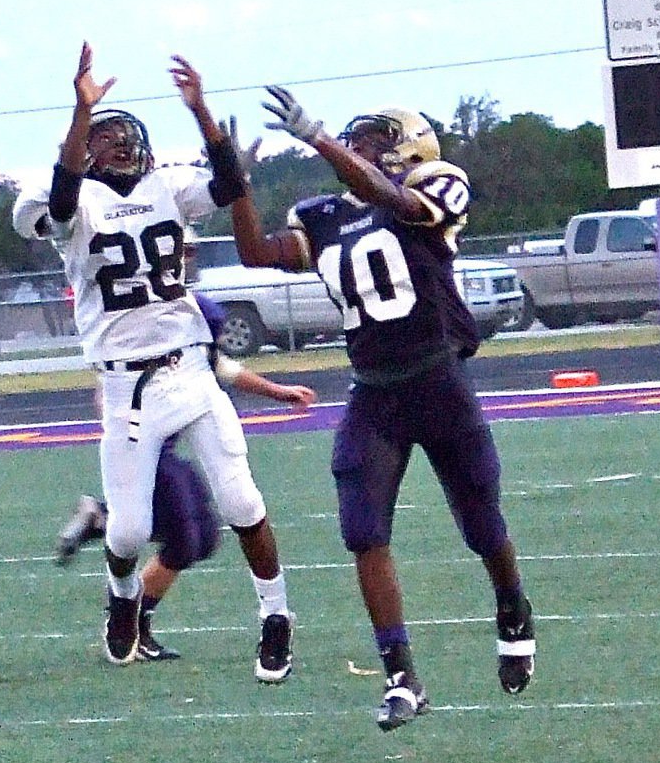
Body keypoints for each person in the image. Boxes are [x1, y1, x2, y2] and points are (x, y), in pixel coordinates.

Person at [206, 78, 536, 730]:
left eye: (376, 137)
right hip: (374, 392)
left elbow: (398, 204)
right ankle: (401, 677)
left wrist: (320, 140)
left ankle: (511, 606)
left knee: (480, 525)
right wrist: (235, 181)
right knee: (362, 531)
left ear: (412, 146)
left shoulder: (437, 183)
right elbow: (255, 253)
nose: (362, 144)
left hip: (437, 377)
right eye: (357, 137)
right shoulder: (326, 218)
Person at [12, 42, 295, 682]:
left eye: (121, 134)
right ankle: (122, 596)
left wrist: (201, 111)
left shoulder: (167, 183)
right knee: (131, 531)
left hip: (189, 369)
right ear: (84, 149)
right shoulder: (72, 199)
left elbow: (227, 184)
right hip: (125, 388)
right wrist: (80, 110)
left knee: (240, 499)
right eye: (102, 137)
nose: (118, 144)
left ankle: (276, 615)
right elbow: (56, 203)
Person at [56, 289, 317, 663]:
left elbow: (223, 368)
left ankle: (103, 525)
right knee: (182, 538)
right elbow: (115, 387)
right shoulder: (160, 319)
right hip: (151, 451)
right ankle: (132, 608)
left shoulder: (184, 329)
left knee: (203, 537)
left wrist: (280, 393)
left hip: (168, 446)